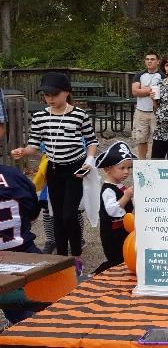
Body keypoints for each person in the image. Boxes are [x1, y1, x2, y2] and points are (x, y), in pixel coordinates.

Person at [10, 72, 97, 275]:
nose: (49, 98)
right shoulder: (40, 117)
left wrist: (89, 161)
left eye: (54, 94)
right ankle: (61, 259)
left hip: (76, 168)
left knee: (69, 215)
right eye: (46, 95)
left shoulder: (79, 115)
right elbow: (34, 145)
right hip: (54, 169)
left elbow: (92, 141)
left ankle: (76, 254)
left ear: (66, 93)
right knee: (56, 215)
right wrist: (23, 151)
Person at [0, 163, 42, 324]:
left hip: (7, 266)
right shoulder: (14, 175)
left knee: (21, 314)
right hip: (26, 252)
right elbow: (33, 213)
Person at [92, 141, 135, 275]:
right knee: (115, 258)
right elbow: (112, 210)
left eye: (129, 168)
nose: (126, 172)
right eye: (122, 168)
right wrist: (126, 197)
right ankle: (96, 274)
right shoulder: (108, 190)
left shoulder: (120, 186)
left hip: (123, 230)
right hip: (111, 232)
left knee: (124, 256)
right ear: (108, 169)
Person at [131, 51, 164, 159]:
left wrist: (143, 90)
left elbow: (163, 92)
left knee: (158, 140)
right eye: (147, 59)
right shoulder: (139, 75)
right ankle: (142, 163)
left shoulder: (162, 76)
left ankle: (155, 163)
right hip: (141, 112)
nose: (149, 61)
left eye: (152, 59)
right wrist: (152, 89)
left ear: (158, 62)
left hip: (157, 112)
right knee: (141, 139)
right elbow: (135, 92)